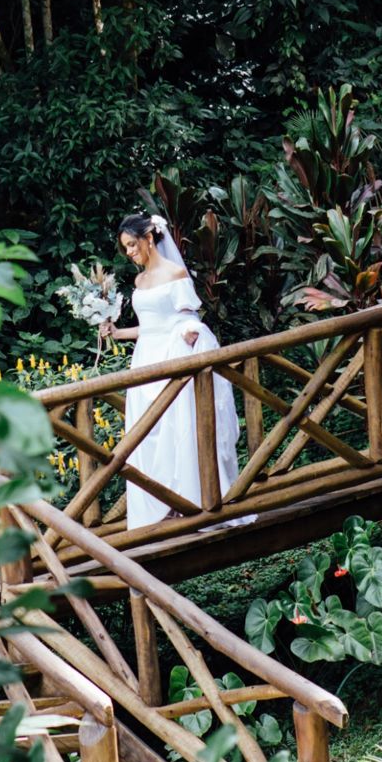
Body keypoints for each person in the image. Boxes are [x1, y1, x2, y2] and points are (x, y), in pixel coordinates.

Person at [98, 214, 241, 529]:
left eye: (133, 245)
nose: (130, 253)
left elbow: (188, 317)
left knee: (179, 426)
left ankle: (189, 498)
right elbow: (150, 328)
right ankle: (162, 503)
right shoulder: (139, 281)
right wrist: (116, 332)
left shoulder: (176, 273)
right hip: (146, 358)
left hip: (172, 356)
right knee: (148, 432)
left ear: (149, 237)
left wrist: (190, 331)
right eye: (126, 249)